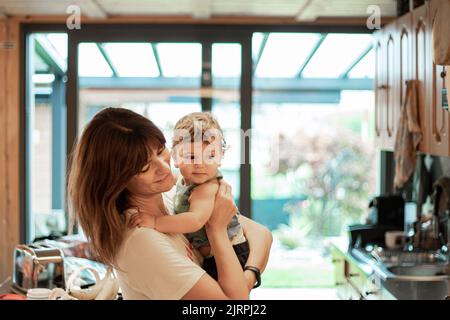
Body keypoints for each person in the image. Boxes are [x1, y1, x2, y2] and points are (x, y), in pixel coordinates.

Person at [67, 107, 272, 300]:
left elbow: (261, 234)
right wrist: (216, 230)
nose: (164, 169)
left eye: (160, 150)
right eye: (145, 167)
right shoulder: (141, 240)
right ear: (117, 181)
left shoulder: (173, 194)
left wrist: (246, 279)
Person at [128, 112, 249, 281]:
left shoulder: (206, 188)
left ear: (221, 157)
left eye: (210, 155)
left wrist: (155, 222)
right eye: (191, 156)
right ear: (176, 158)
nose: (200, 164)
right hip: (213, 254)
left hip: (230, 252)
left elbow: (195, 221)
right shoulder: (182, 182)